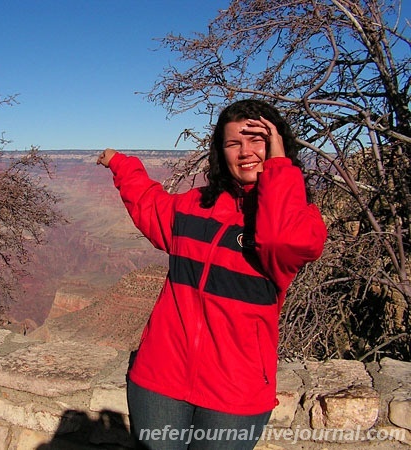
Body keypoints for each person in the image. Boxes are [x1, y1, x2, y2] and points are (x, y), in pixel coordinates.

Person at [96, 99, 327, 450]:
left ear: (278, 144)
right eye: (234, 143)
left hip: (235, 391)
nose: (246, 152)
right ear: (221, 152)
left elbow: (279, 240)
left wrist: (279, 166)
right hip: (160, 377)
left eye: (258, 139)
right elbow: (149, 203)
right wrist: (121, 164)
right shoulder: (195, 205)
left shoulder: (301, 221)